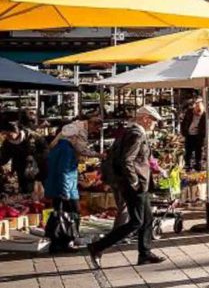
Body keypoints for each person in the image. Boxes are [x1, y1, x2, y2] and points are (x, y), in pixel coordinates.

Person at [88, 106, 167, 268]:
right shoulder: (136, 134)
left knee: (147, 219)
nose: (154, 124)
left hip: (137, 183)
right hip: (134, 185)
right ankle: (98, 247)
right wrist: (134, 182)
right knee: (136, 222)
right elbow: (127, 160)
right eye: (153, 120)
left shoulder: (130, 131)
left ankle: (145, 253)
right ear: (145, 118)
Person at [45, 118, 96, 252]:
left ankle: (57, 241)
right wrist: (66, 191)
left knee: (59, 213)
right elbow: (64, 171)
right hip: (66, 187)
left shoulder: (57, 147)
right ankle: (67, 240)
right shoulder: (67, 150)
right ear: (74, 137)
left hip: (57, 186)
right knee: (73, 213)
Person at [0, 116, 48, 195]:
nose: (7, 136)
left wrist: (34, 158)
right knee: (25, 192)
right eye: (5, 134)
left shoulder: (35, 137)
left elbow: (46, 151)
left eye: (9, 133)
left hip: (39, 168)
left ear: (17, 130)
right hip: (21, 170)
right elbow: (4, 157)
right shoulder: (7, 143)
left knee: (43, 192)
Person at [180, 99, 209, 171]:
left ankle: (198, 166)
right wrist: (183, 132)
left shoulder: (205, 116)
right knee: (188, 151)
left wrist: (203, 134)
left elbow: (207, 127)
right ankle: (188, 165)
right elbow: (184, 122)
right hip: (189, 134)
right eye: (197, 112)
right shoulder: (189, 112)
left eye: (199, 112)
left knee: (198, 151)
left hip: (198, 136)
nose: (198, 114)